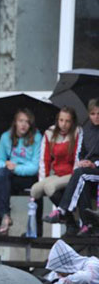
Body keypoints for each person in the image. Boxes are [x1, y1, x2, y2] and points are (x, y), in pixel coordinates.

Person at [45, 100, 99, 234]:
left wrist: (94, 164)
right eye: (92, 113)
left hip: (95, 168)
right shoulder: (85, 130)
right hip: (88, 169)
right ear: (89, 114)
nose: (96, 117)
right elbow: (79, 152)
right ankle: (88, 224)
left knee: (80, 174)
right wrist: (82, 161)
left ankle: (62, 210)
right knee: (82, 179)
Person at [0, 109, 42, 235]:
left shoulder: (37, 137)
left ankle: (4, 220)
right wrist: (6, 164)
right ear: (15, 123)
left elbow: (35, 167)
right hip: (9, 176)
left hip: (28, 177)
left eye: (27, 122)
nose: (23, 125)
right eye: (21, 121)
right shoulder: (5, 137)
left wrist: (16, 168)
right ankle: (5, 220)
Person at [32, 107, 83, 231]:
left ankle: (70, 220)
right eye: (61, 120)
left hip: (72, 173)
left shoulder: (77, 131)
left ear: (72, 122)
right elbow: (45, 159)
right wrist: (43, 179)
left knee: (49, 187)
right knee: (35, 190)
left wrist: (75, 175)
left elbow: (78, 155)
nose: (63, 124)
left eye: (67, 121)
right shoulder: (50, 132)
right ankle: (64, 217)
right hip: (57, 174)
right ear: (57, 120)